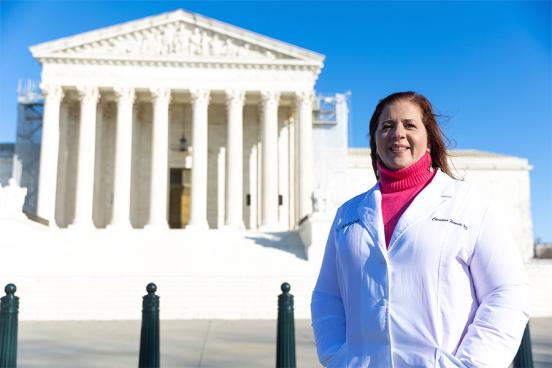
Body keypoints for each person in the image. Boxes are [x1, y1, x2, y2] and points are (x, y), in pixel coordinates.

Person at [311, 91, 530, 367]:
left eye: (409, 125)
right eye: (387, 126)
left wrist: (473, 364)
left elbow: (507, 291)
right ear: (375, 140)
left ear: (429, 140)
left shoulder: (470, 204)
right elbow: (327, 295)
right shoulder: (348, 214)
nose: (397, 133)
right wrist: (337, 357)